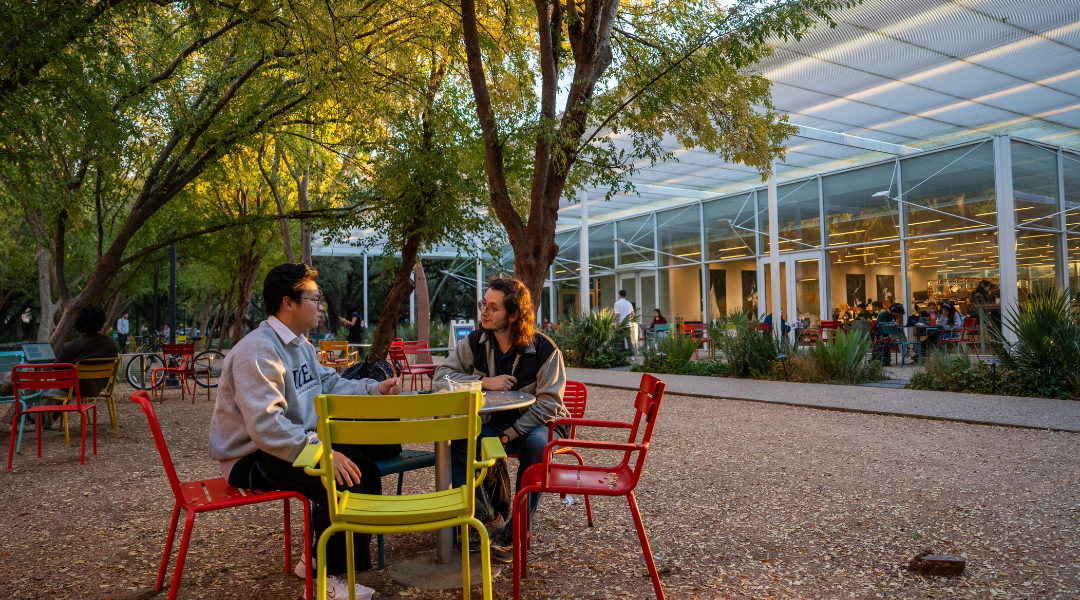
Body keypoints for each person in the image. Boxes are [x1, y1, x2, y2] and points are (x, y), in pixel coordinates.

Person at [208, 263, 401, 599]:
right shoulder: (257, 351)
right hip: (252, 455)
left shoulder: (300, 344)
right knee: (339, 479)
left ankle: (315, 560)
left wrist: (373, 388)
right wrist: (322, 452)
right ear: (289, 302)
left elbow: (326, 383)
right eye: (315, 298)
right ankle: (333, 580)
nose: (321, 306)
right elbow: (267, 427)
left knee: (368, 467)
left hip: (291, 442)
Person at [435, 277, 569, 564]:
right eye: (484, 304)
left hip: (541, 423)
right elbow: (440, 378)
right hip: (497, 421)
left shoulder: (545, 349)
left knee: (536, 447)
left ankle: (514, 535)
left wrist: (510, 434)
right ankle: (485, 516)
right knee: (457, 440)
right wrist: (485, 381)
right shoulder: (476, 341)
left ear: (514, 314)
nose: (484, 312)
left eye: (493, 307)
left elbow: (549, 405)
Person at [39, 306, 119, 428]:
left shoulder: (71, 346)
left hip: (73, 389)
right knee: (68, 385)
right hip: (98, 387)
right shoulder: (111, 344)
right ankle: (47, 420)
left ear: (79, 324)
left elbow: (56, 370)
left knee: (46, 384)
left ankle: (37, 417)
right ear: (101, 323)